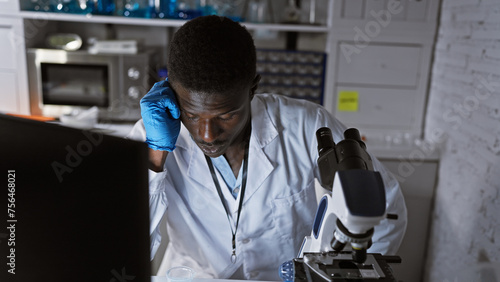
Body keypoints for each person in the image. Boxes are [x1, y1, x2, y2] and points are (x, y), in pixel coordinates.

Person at [127, 15, 407, 280]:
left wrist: (348, 272)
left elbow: (386, 206)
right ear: (173, 94)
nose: (208, 135)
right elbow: (124, 246)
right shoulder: (153, 137)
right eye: (192, 115)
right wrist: (155, 157)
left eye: (226, 115)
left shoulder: (307, 126)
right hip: (193, 277)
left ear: (252, 89)